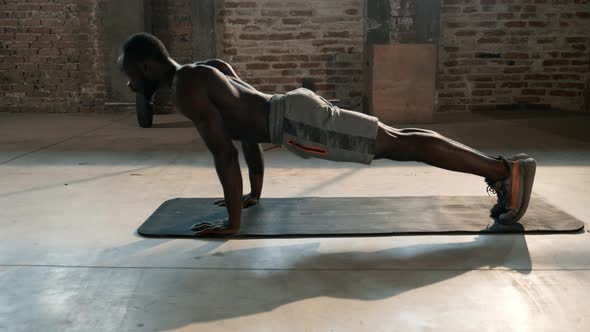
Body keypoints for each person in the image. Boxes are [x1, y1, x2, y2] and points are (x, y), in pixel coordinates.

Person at [118, 33, 536, 236]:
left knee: (399, 144)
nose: (131, 86)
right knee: (400, 136)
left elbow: (225, 155)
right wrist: (254, 194)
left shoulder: (185, 89)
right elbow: (245, 133)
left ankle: (503, 171)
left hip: (298, 125)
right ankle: (502, 169)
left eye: (130, 76)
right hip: (294, 107)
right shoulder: (204, 69)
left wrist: (232, 224)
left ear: (146, 66)